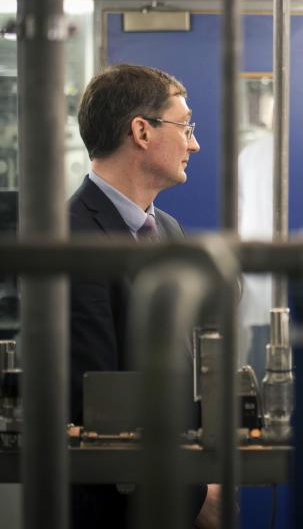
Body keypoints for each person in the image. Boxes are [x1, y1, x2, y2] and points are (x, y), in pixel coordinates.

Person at [68, 63, 219, 529]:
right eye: (185, 126)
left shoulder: (166, 229)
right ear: (141, 131)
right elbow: (92, 392)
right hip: (118, 502)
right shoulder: (71, 237)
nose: (193, 143)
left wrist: (204, 477)